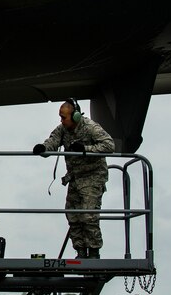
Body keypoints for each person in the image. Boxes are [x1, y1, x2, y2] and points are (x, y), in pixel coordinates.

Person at [32, 98, 115, 259]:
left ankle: (94, 252)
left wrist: (86, 149)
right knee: (73, 215)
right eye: (60, 117)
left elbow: (109, 145)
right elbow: (53, 141)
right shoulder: (62, 129)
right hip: (75, 178)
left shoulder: (91, 128)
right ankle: (81, 251)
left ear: (75, 116)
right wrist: (43, 148)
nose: (61, 120)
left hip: (93, 177)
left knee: (88, 216)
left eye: (64, 117)